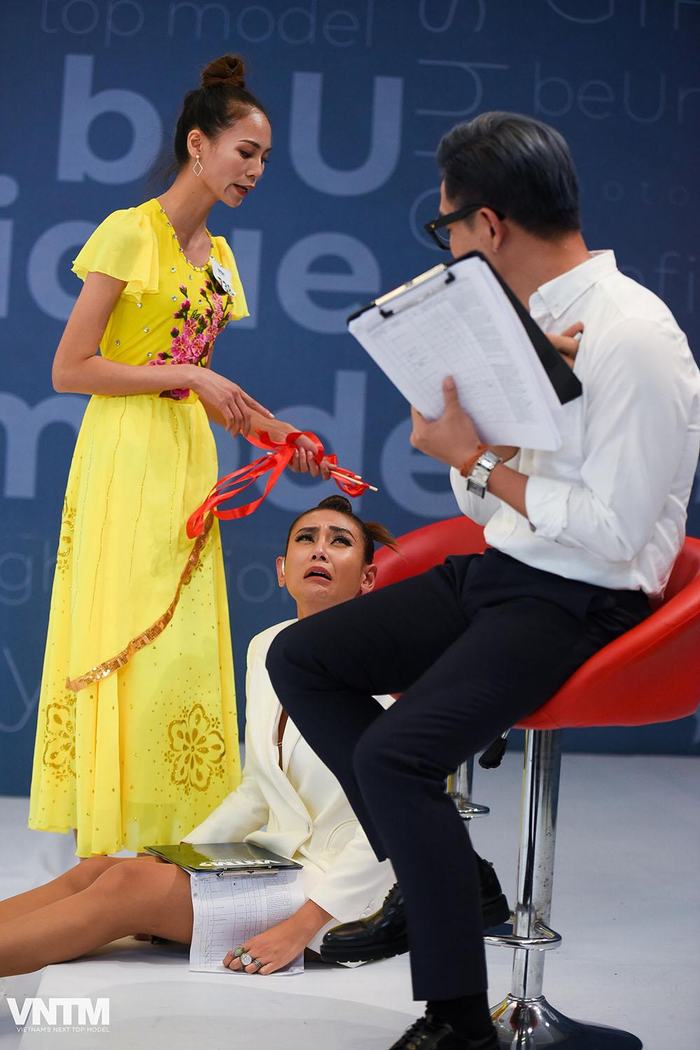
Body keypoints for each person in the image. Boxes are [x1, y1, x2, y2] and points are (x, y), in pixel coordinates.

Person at [265, 112, 700, 1050]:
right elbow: (494, 494)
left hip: (584, 597)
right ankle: (453, 882)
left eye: (449, 228)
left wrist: (478, 459)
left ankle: (458, 1020)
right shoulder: (525, 324)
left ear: (489, 226)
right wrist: (474, 449)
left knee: (395, 758)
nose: (452, 248)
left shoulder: (634, 336)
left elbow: (616, 534)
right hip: (508, 570)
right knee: (301, 658)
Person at [28, 54, 327, 858]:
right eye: (245, 152)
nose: (255, 171)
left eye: (265, 159)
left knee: (178, 648)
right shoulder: (129, 232)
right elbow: (70, 369)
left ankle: (167, 837)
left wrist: (278, 435)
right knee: (124, 630)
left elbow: (210, 388)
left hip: (187, 459)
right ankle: (103, 842)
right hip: (124, 455)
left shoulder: (220, 259)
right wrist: (187, 374)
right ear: (198, 144)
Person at [1, 496, 397, 977]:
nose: (319, 550)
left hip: (342, 900)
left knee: (126, 887)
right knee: (99, 869)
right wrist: (181, 857)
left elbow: (396, 822)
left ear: (368, 578)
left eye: (340, 542)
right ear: (281, 570)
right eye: (306, 538)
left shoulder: (388, 673)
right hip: (275, 861)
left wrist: (300, 927)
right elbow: (258, 789)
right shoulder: (267, 648)